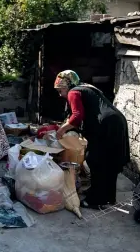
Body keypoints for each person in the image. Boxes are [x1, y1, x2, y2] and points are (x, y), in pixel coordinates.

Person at [54, 70, 130, 209]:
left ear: (66, 85)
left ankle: (95, 199)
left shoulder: (73, 92)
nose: (60, 95)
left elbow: (77, 116)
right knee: (110, 161)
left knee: (95, 160)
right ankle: (108, 197)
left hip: (106, 124)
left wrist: (61, 130)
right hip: (117, 121)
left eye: (60, 90)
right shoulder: (86, 88)